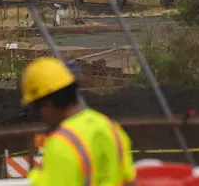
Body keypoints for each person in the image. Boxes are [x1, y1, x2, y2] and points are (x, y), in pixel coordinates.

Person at [20, 57, 136, 186]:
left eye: (37, 107)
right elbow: (128, 180)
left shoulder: (62, 143)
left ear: (47, 104)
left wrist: (38, 175)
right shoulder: (111, 128)